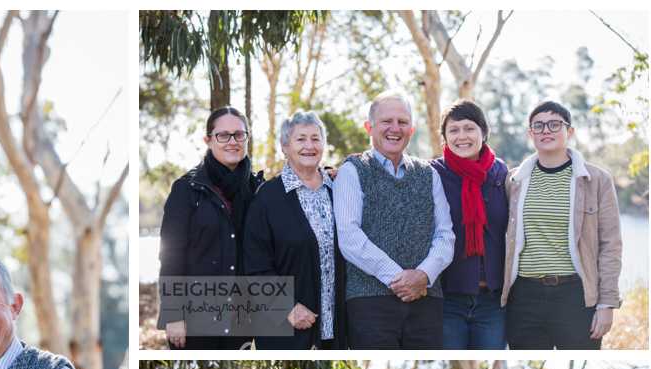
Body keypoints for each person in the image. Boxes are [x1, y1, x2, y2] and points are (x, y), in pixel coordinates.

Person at [334, 91, 455, 348]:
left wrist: (423, 275)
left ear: (411, 128)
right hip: (369, 302)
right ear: (370, 127)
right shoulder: (352, 171)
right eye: (386, 121)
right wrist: (399, 279)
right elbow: (349, 237)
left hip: (426, 300)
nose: (395, 129)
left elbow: (445, 235)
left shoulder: (428, 174)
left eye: (402, 122)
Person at [501, 100, 622, 349]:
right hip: (524, 297)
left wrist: (606, 304)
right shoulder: (514, 180)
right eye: (539, 125)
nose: (546, 130)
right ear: (530, 133)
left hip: (576, 296)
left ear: (570, 132)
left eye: (555, 124)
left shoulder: (597, 180)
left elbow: (611, 245)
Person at [158, 106, 264, 349]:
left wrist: (325, 175)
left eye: (239, 135)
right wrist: (173, 316)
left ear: (247, 138)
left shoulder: (258, 190)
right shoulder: (186, 189)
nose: (232, 142)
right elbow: (170, 256)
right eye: (223, 135)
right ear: (208, 140)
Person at [244, 110, 346, 349]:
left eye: (315, 138)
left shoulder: (340, 189)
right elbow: (254, 267)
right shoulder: (267, 199)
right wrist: (285, 306)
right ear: (285, 147)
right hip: (287, 330)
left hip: (338, 331)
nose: (309, 146)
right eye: (300, 139)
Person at [431, 100, 510, 349]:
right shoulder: (433, 174)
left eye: (469, 128)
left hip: (493, 302)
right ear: (444, 137)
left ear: (483, 132)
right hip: (448, 300)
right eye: (453, 130)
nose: (461, 136)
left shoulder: (501, 174)